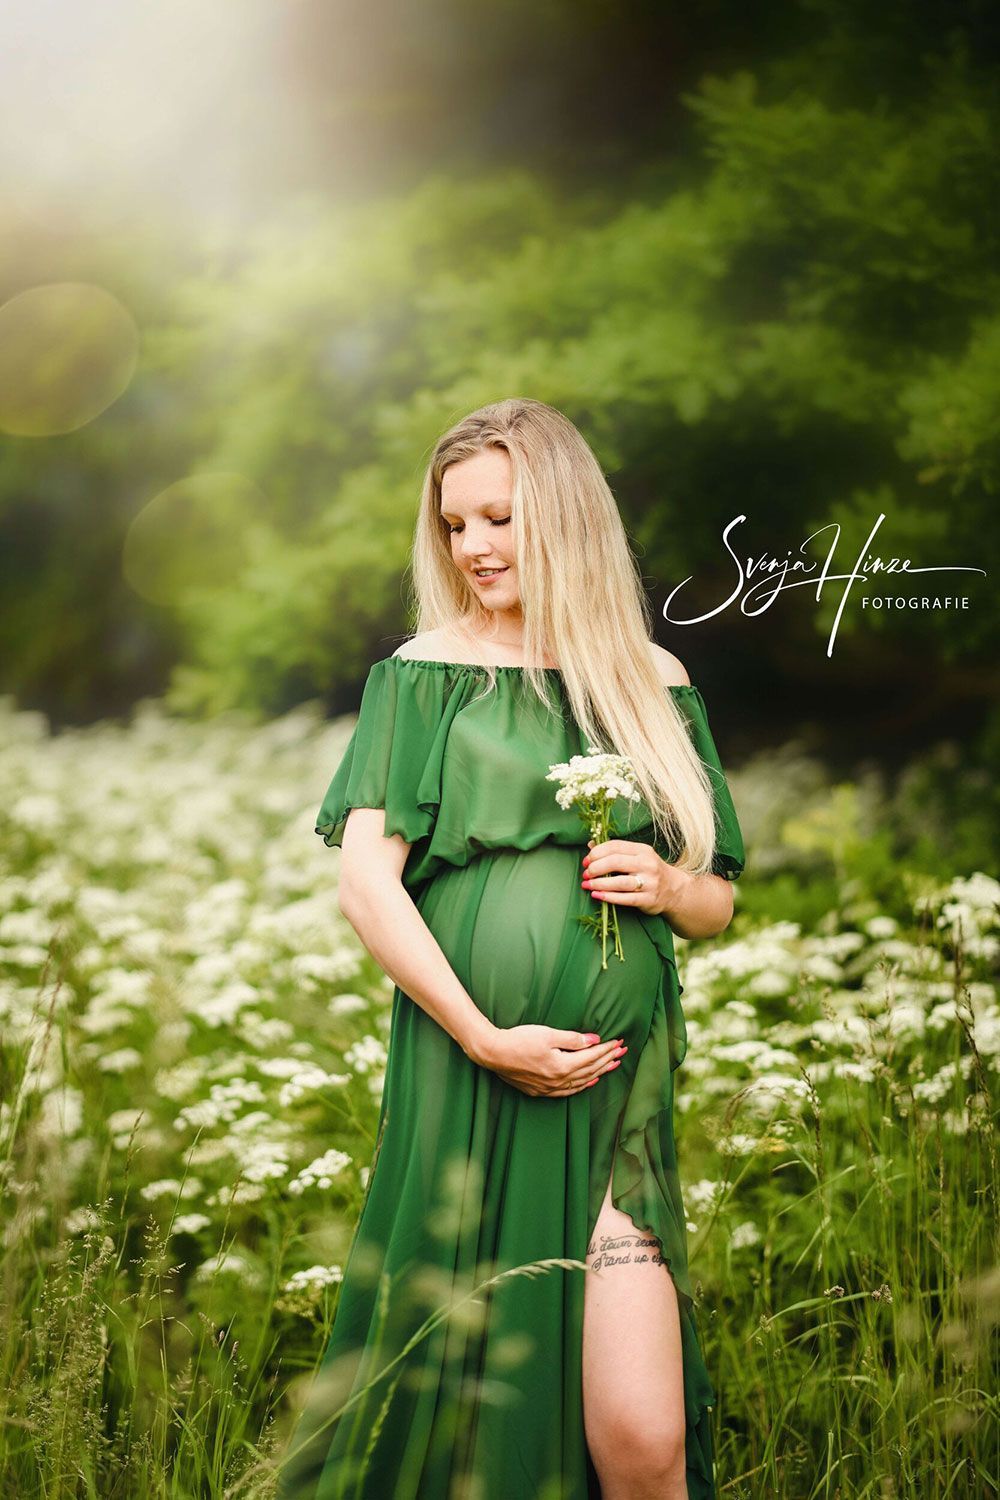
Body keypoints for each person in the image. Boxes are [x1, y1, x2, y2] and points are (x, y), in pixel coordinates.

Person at [277, 397, 745, 1500]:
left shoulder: (652, 680)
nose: (474, 548)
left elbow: (717, 900)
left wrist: (672, 885)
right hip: (472, 1077)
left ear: (567, 516)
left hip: (614, 1096)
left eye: (499, 517)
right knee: (457, 1419)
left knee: (643, 1440)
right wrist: (485, 1036)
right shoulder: (424, 673)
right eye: (454, 527)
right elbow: (365, 885)